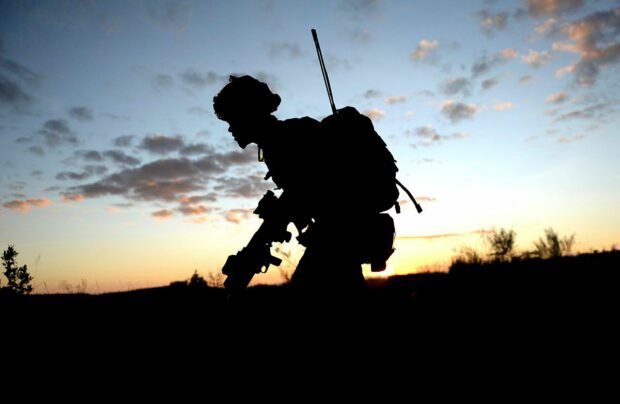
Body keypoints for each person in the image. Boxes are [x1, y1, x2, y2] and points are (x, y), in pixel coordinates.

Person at [213, 75, 396, 302]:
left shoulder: (283, 140)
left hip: (337, 237)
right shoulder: (282, 138)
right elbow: (303, 194)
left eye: (232, 118)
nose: (230, 128)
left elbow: (308, 192)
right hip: (336, 236)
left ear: (248, 114)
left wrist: (276, 217)